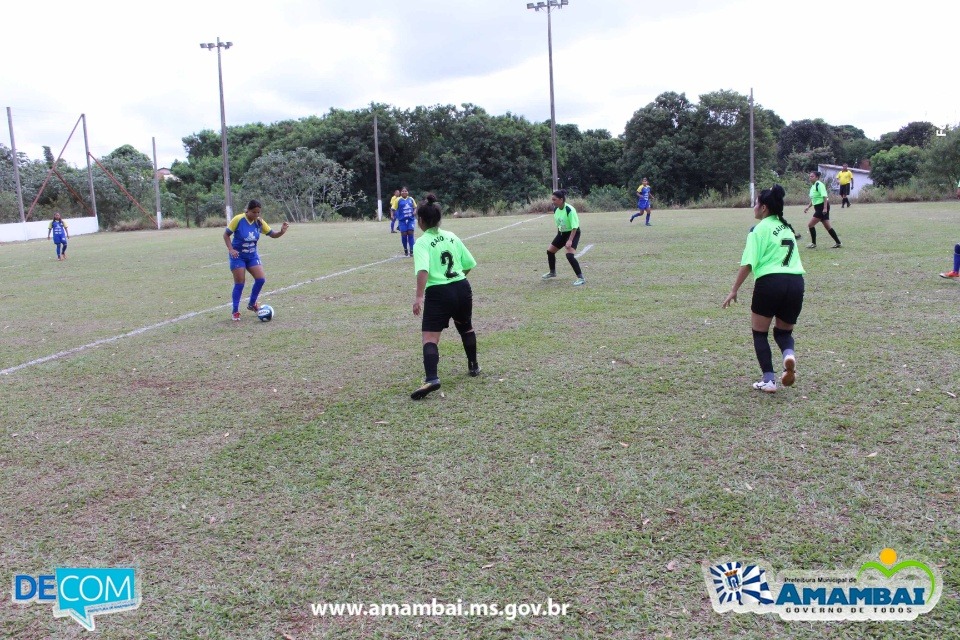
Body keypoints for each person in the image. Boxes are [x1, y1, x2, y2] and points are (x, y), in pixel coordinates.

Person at [722, 184, 805, 393]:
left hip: (770, 283)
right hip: (795, 283)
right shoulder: (786, 227)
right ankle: (788, 354)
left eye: (756, 203)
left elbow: (748, 263)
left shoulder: (758, 230)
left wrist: (734, 289)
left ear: (764, 208)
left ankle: (769, 379)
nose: (754, 207)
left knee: (760, 334)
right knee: (783, 332)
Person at [410, 194, 479, 400]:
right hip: (461, 287)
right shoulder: (451, 236)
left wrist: (419, 297)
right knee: (466, 327)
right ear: (439, 219)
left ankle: (432, 378)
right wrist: (456, 282)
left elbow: (422, 270)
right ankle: (474, 366)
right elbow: (469, 264)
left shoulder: (422, 243)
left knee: (430, 338)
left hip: (438, 293)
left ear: (421, 221)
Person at [223, 199, 289, 321]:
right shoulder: (238, 219)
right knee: (240, 283)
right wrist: (231, 249)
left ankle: (252, 304)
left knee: (260, 279)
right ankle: (235, 311)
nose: (256, 215)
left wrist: (281, 232)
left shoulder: (259, 222)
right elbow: (226, 235)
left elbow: (272, 234)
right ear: (247, 210)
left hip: (252, 256)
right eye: (254, 212)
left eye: (258, 212)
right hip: (238, 256)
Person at [542, 189, 586, 286]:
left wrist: (570, 240)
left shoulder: (569, 209)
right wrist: (560, 237)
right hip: (562, 233)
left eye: (554, 200)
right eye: (552, 200)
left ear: (561, 199)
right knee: (550, 251)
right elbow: (559, 224)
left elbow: (575, 226)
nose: (552, 202)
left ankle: (581, 278)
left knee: (569, 255)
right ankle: (552, 272)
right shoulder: (556, 210)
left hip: (573, 232)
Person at [803, 171, 842, 249]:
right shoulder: (813, 186)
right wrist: (808, 207)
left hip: (822, 207)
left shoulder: (819, 185)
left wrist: (825, 208)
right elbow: (814, 199)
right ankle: (838, 242)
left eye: (812, 176)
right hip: (818, 207)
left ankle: (813, 243)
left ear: (817, 177)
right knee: (828, 227)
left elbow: (824, 196)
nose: (810, 178)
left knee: (810, 225)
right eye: (810, 176)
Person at [396, 187, 417, 256]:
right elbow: (393, 208)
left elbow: (415, 207)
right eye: (403, 191)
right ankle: (405, 249)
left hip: (410, 220)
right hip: (402, 221)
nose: (404, 192)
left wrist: (414, 211)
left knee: (410, 233)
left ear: (408, 192)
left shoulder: (411, 199)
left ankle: (412, 250)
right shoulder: (398, 200)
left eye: (405, 191)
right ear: (400, 192)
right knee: (404, 234)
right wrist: (394, 215)